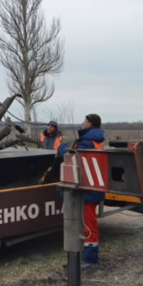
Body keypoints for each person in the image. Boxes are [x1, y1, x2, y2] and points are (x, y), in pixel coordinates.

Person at [58, 114, 105, 267]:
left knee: (88, 224)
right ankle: (85, 255)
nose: (82, 123)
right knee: (86, 223)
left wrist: (62, 147)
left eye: (84, 121)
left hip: (88, 188)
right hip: (93, 185)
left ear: (90, 124)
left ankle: (90, 260)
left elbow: (72, 156)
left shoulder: (87, 142)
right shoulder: (96, 140)